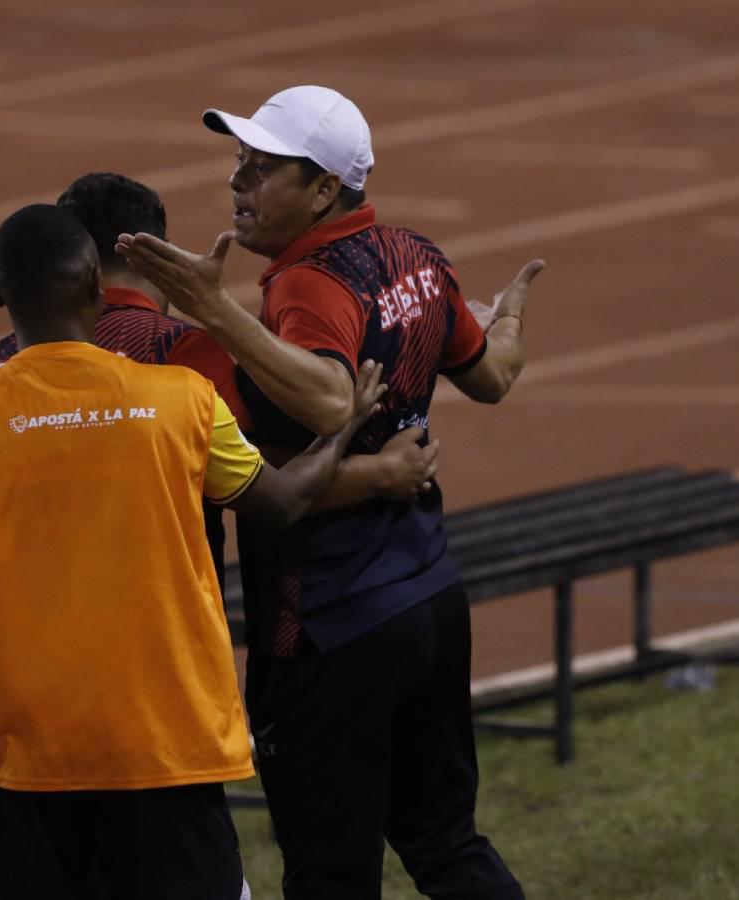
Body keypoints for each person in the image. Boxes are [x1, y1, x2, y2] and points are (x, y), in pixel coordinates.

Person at [0, 204, 388, 900]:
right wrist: (337, 436)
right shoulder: (183, 399)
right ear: (98, 284)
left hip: (31, 763)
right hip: (171, 750)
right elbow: (281, 504)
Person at [118, 85, 542, 900]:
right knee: (447, 842)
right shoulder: (414, 254)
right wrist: (512, 324)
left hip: (329, 620)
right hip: (429, 595)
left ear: (322, 191)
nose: (239, 183)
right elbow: (488, 377)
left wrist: (213, 308)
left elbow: (327, 399)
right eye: (239, 162)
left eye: (264, 168)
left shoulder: (305, 285)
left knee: (328, 872)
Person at [0, 172, 439, 700]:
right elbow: (278, 489)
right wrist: (379, 471)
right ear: (152, 253)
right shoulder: (188, 359)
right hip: (167, 681)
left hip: (29, 688)